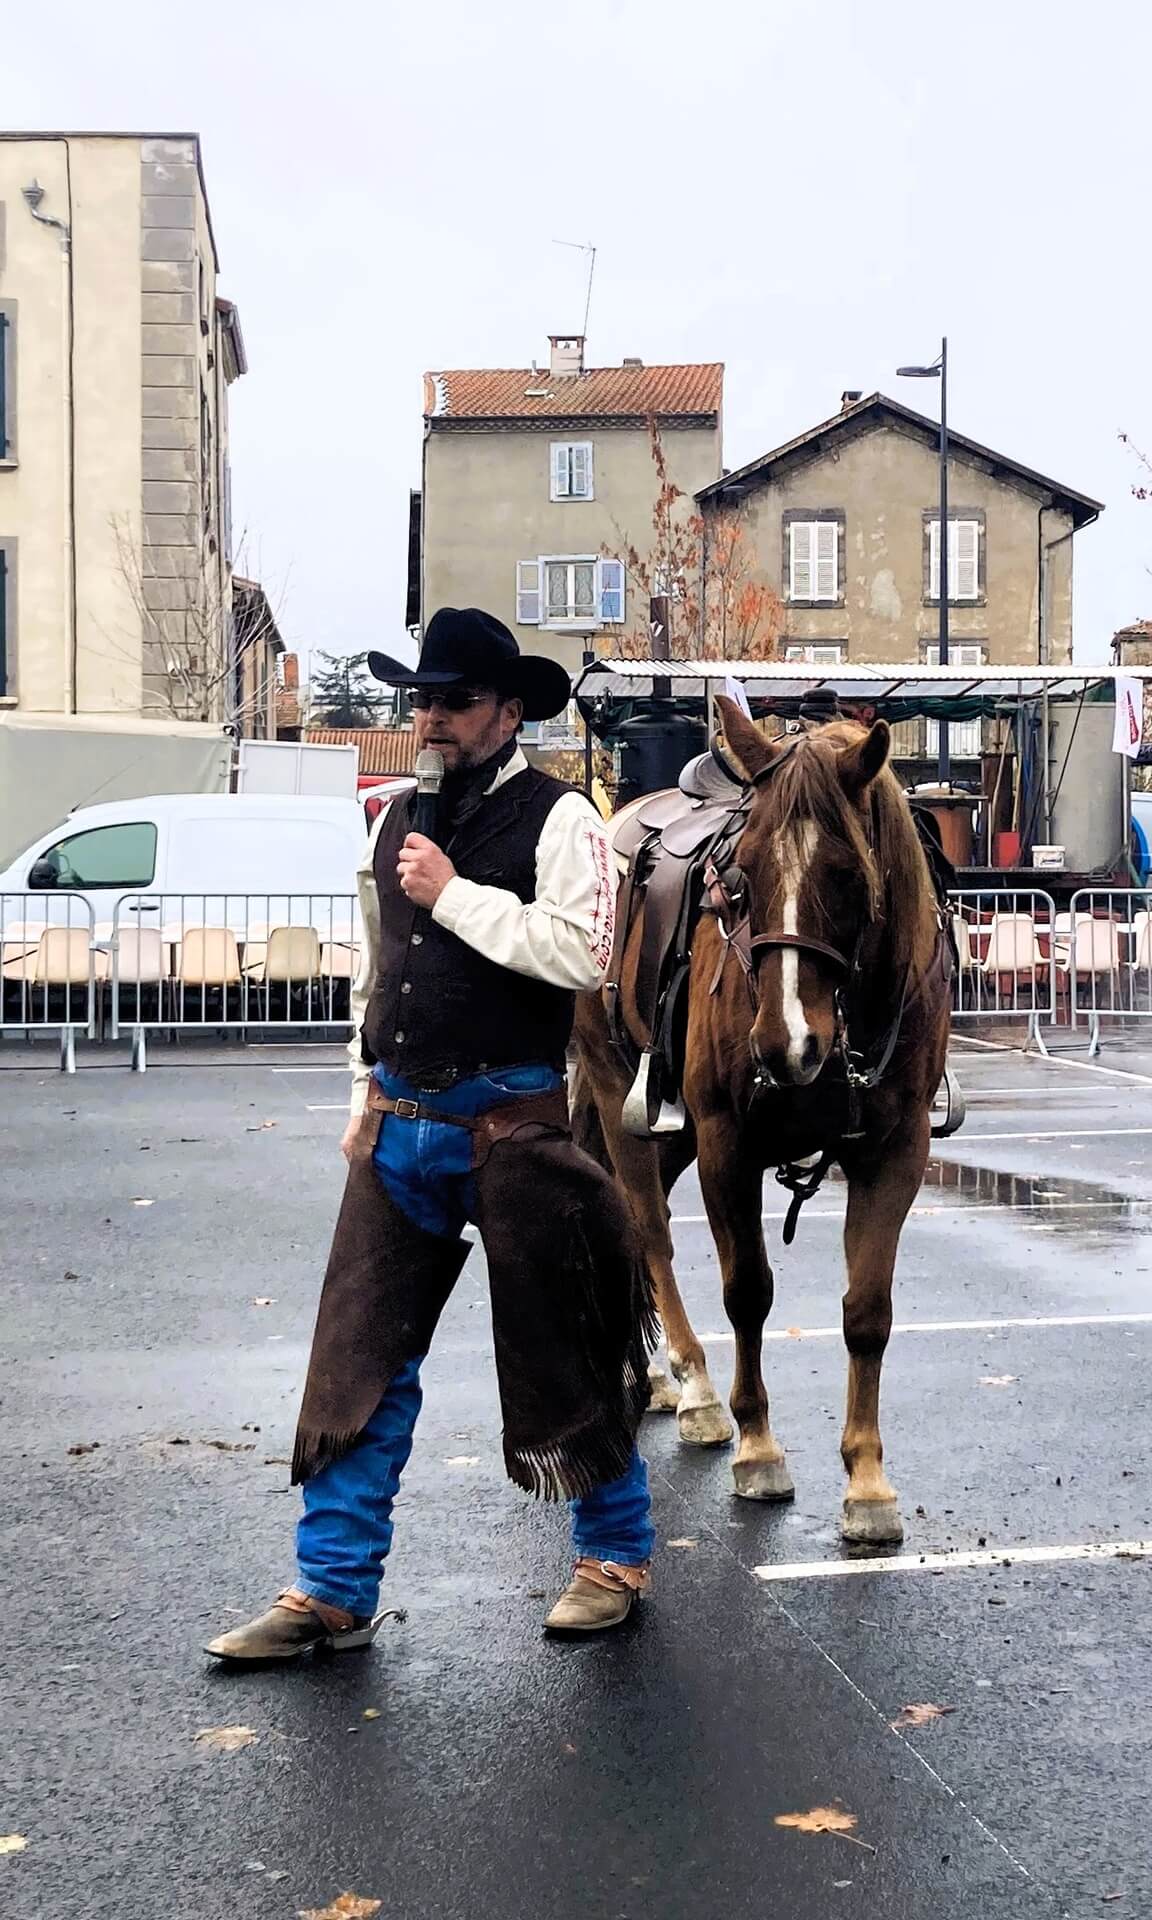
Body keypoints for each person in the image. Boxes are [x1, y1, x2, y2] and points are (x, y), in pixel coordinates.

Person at [206, 608, 656, 1664]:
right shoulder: (396, 814)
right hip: (401, 1125)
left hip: (512, 1128)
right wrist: (364, 1086)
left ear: (507, 710)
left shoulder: (563, 819)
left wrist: (455, 896)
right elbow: (383, 971)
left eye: (452, 701)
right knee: (355, 1365)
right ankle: (331, 1592)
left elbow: (583, 955)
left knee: (570, 1354)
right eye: (422, 699)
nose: (432, 717)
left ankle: (614, 1557)